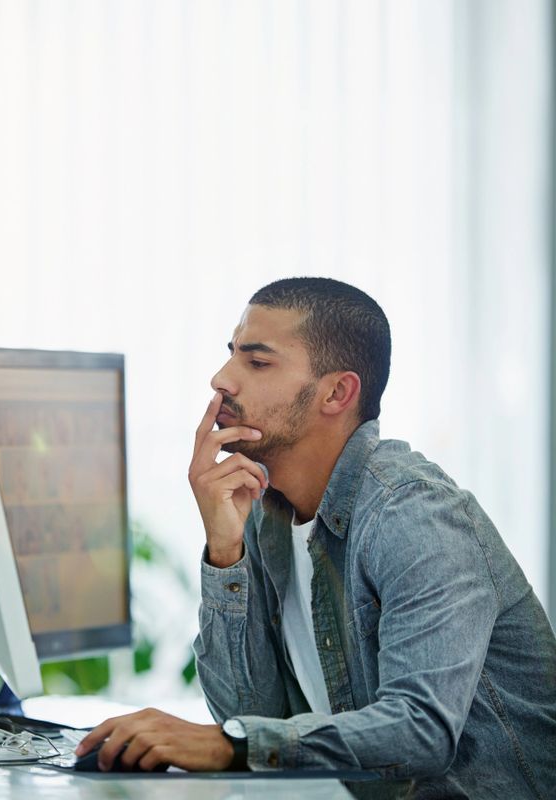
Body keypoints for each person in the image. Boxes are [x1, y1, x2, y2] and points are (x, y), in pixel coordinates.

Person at [76, 277, 556, 798]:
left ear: (337, 392)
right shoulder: (267, 511)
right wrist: (224, 550)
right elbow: (248, 714)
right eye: (231, 355)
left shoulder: (413, 513)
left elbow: (420, 731)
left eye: (257, 363)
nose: (221, 380)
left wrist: (231, 745)